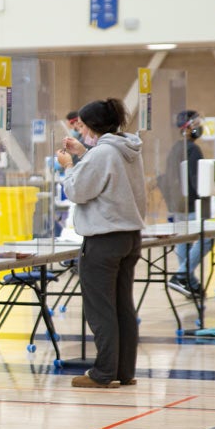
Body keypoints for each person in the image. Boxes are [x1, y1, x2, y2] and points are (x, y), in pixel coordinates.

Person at [57, 98, 145, 388]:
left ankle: (103, 372)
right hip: (129, 236)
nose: (80, 130)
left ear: (92, 125)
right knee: (122, 306)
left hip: (104, 239)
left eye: (81, 126)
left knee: (100, 308)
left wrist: (69, 166)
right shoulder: (127, 148)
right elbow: (105, 172)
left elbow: (77, 191)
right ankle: (124, 370)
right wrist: (84, 154)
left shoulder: (101, 154)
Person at [164, 110, 212, 298]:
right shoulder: (193, 149)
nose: (199, 127)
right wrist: (205, 199)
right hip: (191, 204)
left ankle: (189, 282)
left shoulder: (176, 148)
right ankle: (183, 275)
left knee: (183, 242)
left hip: (178, 204)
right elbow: (196, 178)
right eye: (196, 123)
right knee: (206, 238)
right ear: (187, 127)